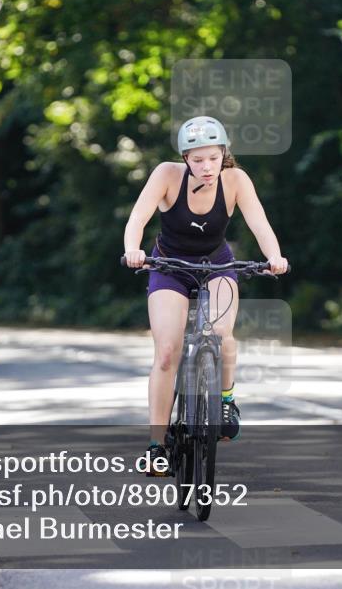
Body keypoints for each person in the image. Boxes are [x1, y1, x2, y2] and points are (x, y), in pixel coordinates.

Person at [122, 116, 288, 475]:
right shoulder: (166, 176)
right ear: (185, 158)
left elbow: (260, 223)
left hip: (217, 265)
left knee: (223, 335)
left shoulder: (236, 180)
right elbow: (137, 217)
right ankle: (156, 445)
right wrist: (133, 248)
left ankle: (226, 401)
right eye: (197, 159)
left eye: (213, 157)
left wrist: (274, 257)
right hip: (169, 267)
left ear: (224, 153)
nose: (206, 166)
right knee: (167, 352)